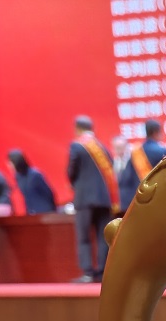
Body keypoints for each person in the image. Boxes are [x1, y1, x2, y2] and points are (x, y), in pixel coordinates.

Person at [66, 115, 119, 283]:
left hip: (84, 198)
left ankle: (88, 273)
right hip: (104, 199)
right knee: (102, 236)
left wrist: (74, 183)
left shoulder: (77, 145)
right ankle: (103, 272)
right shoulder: (102, 147)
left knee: (84, 237)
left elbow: (71, 171)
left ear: (77, 129)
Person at [118, 119, 166, 211]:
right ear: (155, 132)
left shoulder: (136, 152)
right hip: (157, 197)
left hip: (138, 198)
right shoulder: (161, 151)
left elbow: (125, 178)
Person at [8, 149, 57, 215]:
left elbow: (49, 193)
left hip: (45, 211)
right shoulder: (18, 177)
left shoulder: (35, 175)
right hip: (31, 212)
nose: (9, 165)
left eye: (10, 163)